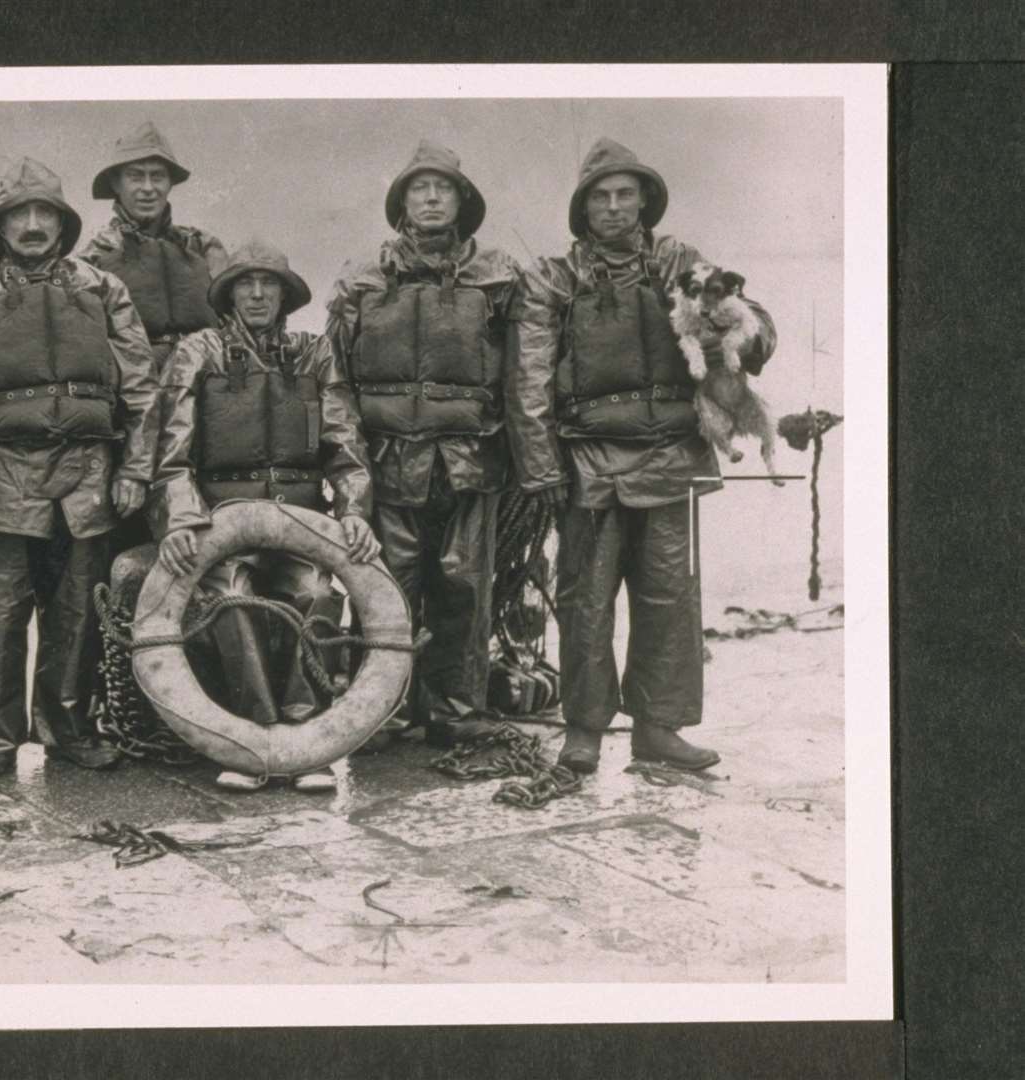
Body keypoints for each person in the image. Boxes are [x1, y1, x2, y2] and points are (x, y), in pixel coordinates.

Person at [510, 137, 778, 774]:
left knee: (669, 599)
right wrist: (541, 466)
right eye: (600, 197)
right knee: (585, 601)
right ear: (583, 209)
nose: (613, 207)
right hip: (588, 459)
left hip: (673, 455)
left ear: (644, 201)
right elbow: (527, 378)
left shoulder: (678, 263)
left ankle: (658, 729)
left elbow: (752, 324)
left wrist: (739, 327)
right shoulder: (556, 276)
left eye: (625, 194)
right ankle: (583, 730)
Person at [0, 158, 158, 781]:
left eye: (42, 213)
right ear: (0, 226)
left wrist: (134, 469)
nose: (30, 225)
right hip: (1, 472)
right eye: (17, 215)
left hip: (86, 473)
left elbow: (140, 390)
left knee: (77, 608)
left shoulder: (101, 288)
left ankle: (68, 729)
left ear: (61, 223)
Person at [151, 240, 379, 793]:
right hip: (224, 525)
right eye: (245, 284)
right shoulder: (197, 352)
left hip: (301, 521)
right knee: (230, 598)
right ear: (228, 294)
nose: (256, 294)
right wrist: (182, 518)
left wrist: (354, 512)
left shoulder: (313, 353)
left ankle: (305, 744)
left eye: (268, 284)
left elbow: (345, 448)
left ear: (284, 295)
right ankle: (255, 738)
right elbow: (172, 454)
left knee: (316, 595)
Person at [324, 141, 523, 751]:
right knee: (387, 589)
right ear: (402, 201)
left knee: (464, 587)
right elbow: (335, 384)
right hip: (387, 463)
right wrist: (349, 474)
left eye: (443, 188)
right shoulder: (361, 281)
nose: (432, 198)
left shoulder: (500, 277)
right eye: (420, 188)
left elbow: (525, 372)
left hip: (469, 461)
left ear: (462, 200)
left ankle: (458, 710)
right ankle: (385, 710)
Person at [78, 120, 228, 374]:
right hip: (132, 386)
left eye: (157, 176)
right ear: (116, 184)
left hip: (204, 379)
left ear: (170, 183)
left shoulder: (202, 246)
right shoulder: (95, 255)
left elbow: (235, 321)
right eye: (136, 177)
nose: (148, 189)